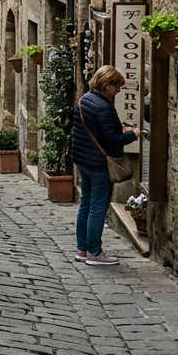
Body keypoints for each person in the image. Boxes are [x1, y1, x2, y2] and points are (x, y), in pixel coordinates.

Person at [72, 65, 139, 266]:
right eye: (117, 86)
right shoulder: (103, 107)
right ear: (106, 85)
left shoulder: (85, 100)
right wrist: (132, 134)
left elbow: (95, 131)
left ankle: (82, 249)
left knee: (86, 203)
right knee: (98, 207)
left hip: (83, 160)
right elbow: (111, 139)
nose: (119, 90)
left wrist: (120, 128)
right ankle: (94, 252)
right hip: (100, 163)